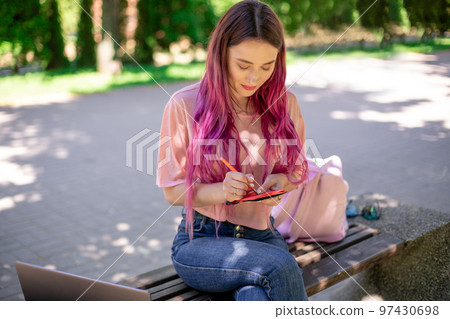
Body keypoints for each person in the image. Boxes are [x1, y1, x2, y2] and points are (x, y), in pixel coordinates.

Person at [156, 0, 309, 301]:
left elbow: (299, 169)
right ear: (221, 53)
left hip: (262, 236)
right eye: (243, 65)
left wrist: (283, 183)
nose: (254, 78)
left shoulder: (285, 104)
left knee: (255, 293)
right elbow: (172, 192)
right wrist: (222, 191)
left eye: (267, 66)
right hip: (201, 241)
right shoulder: (183, 105)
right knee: (280, 266)